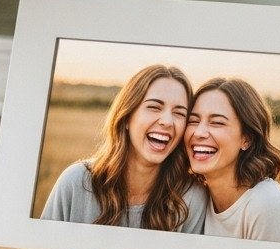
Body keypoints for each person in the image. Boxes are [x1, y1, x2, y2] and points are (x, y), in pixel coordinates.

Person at [40, 64, 207, 232]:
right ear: (127, 117)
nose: (167, 121)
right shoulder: (74, 182)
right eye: (154, 107)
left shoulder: (191, 198)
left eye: (179, 113)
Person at [185, 77, 280, 243]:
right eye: (193, 121)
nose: (199, 132)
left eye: (217, 123)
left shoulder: (266, 204)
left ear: (246, 139)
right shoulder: (198, 197)